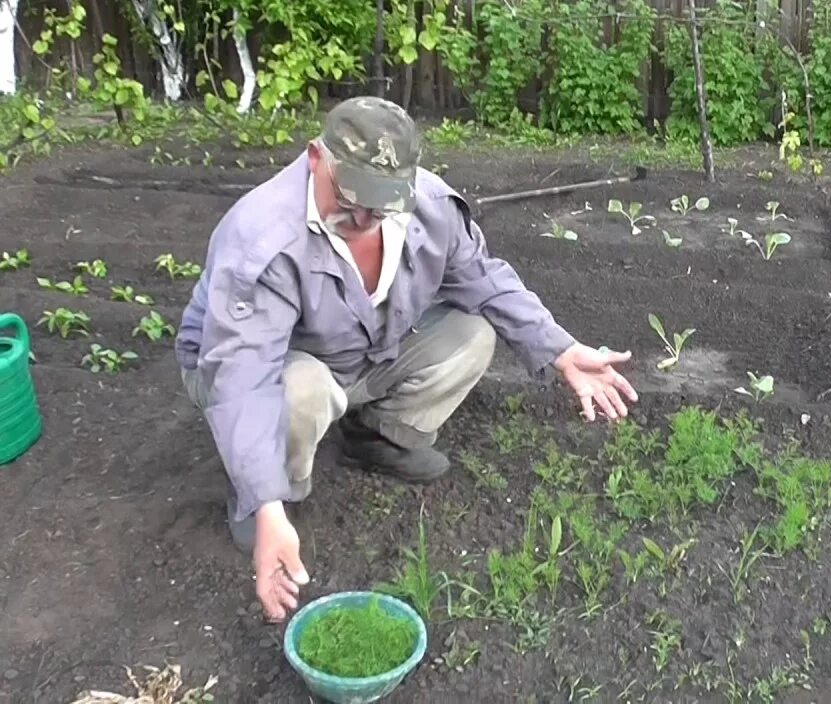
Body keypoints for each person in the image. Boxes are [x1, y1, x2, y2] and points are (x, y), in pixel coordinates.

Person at [173, 95, 638, 622]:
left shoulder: (430, 206)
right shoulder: (262, 239)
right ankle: (268, 495)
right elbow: (243, 378)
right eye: (350, 199)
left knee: (470, 333)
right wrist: (265, 507)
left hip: (362, 351)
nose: (363, 217)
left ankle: (376, 438)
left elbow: (484, 282)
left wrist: (562, 350)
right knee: (299, 389)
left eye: (380, 204)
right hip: (262, 368)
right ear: (315, 158)